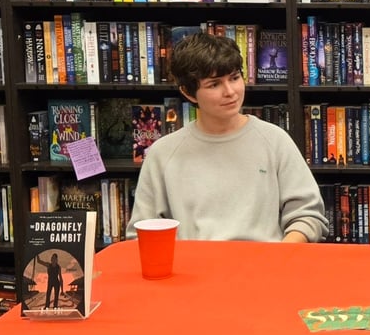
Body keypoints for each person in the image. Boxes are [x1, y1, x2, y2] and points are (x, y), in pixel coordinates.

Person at [127, 32, 328, 242]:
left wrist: (281, 256)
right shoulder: (163, 152)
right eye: (214, 84)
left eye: (234, 78)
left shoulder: (275, 140)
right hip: (193, 269)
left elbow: (308, 215)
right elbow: (141, 234)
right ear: (188, 93)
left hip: (264, 267)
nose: (230, 91)